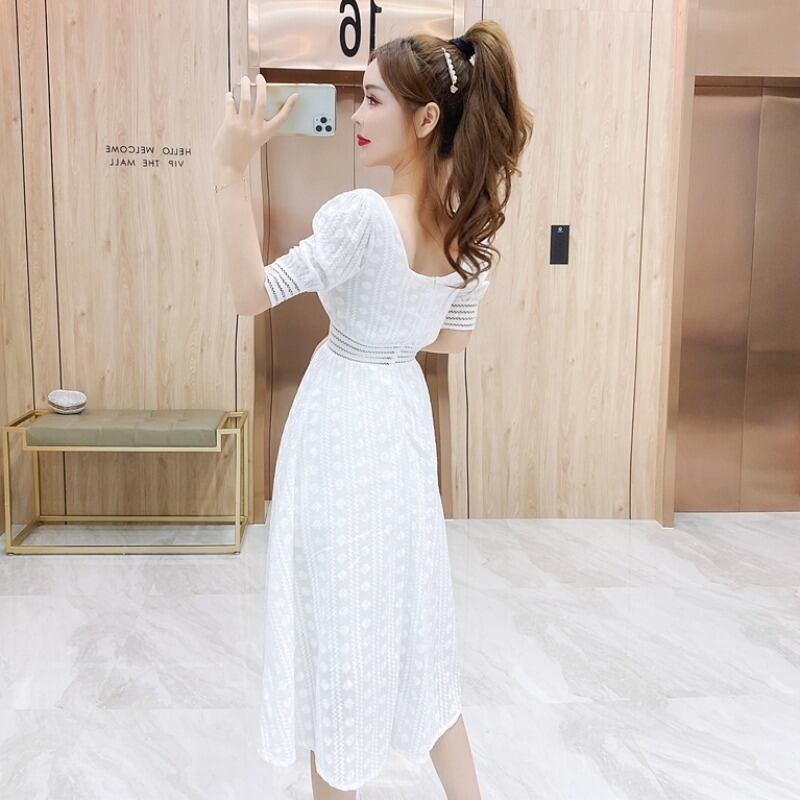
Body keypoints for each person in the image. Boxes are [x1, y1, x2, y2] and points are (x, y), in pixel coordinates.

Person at [211, 20, 533, 799]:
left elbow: (252, 294)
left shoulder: (361, 218)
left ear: (426, 119)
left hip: (343, 422)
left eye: (375, 99)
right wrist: (394, 331)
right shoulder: (466, 233)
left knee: (339, 630)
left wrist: (228, 171)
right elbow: (451, 342)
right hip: (401, 423)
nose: (358, 114)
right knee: (417, 629)